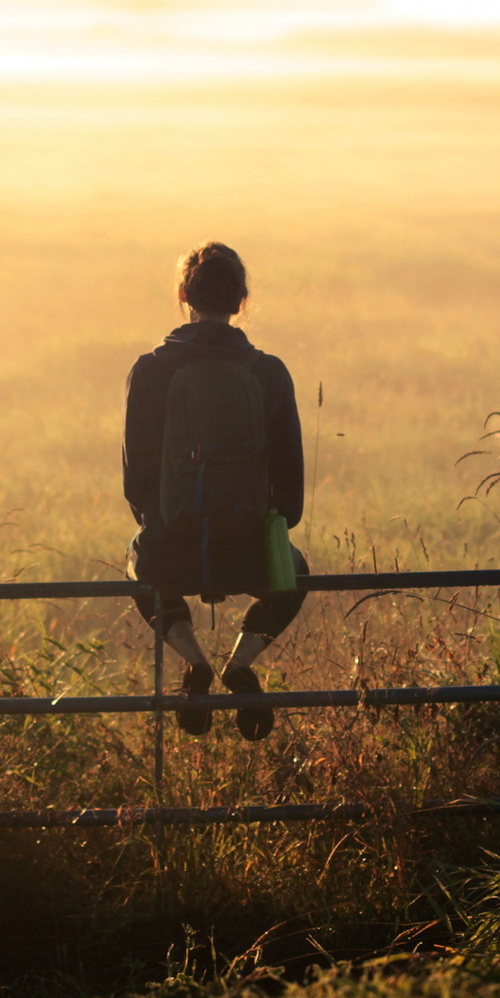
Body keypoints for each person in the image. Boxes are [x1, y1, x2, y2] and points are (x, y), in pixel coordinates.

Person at [123, 242, 307, 741]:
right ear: (242, 299)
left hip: (173, 552)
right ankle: (240, 663)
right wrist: (256, 524)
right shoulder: (268, 372)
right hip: (249, 548)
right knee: (297, 574)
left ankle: (194, 662)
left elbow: (136, 480)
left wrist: (169, 527)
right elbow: (291, 492)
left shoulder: (150, 370)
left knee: (138, 567)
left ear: (184, 295)